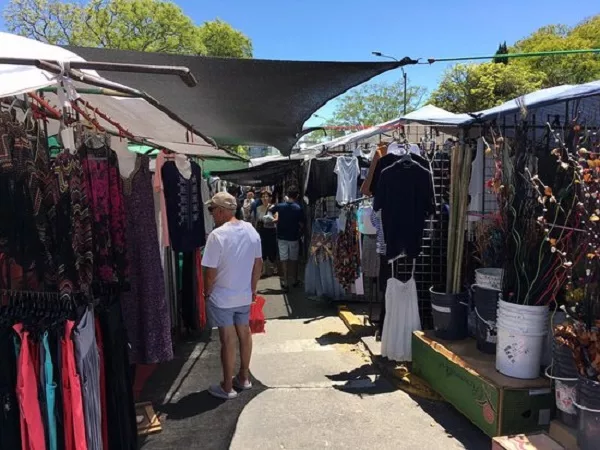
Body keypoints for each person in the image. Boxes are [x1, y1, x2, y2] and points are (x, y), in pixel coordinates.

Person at [202, 192, 263, 400]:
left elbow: (209, 272)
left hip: (222, 297)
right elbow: (258, 263)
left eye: (212, 210)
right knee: (244, 334)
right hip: (244, 295)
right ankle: (243, 377)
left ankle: (227, 386)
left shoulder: (216, 236)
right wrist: (252, 288)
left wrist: (206, 292)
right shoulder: (251, 230)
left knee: (227, 340)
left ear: (220, 210)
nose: (211, 215)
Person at [271, 187, 304, 290]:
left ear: (287, 195)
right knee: (294, 259)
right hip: (293, 237)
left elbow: (270, 210)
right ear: (297, 196)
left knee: (284, 259)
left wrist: (277, 218)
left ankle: (285, 281)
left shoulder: (280, 206)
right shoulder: (298, 208)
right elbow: (302, 223)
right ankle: (294, 280)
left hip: (281, 236)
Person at [253, 189, 278, 276]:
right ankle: (263, 270)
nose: (265, 198)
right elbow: (256, 220)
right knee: (262, 250)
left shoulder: (273, 207)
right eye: (263, 197)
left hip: (271, 230)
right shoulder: (258, 208)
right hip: (261, 230)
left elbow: (276, 218)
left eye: (266, 196)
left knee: (272, 250)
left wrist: (271, 220)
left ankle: (273, 268)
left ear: (270, 198)